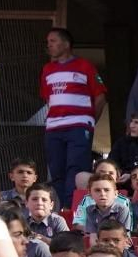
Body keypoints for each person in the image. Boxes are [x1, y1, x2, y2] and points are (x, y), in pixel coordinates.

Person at [39, 27, 106, 207]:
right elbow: (48, 98)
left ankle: (74, 210)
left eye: (53, 41)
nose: (49, 45)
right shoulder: (47, 69)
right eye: (48, 42)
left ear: (66, 44)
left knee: (76, 169)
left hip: (78, 127)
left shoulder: (85, 66)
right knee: (57, 171)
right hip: (53, 128)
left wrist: (89, 121)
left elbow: (100, 97)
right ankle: (61, 209)